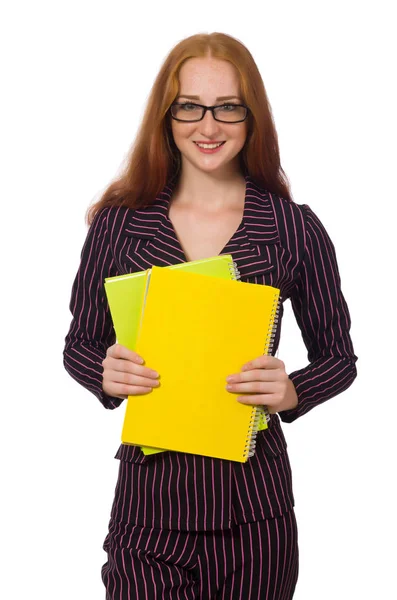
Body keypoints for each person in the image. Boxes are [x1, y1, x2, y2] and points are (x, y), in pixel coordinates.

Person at [63, 32, 357, 599]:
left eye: (228, 107)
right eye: (190, 107)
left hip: (254, 510)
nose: (208, 125)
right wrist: (103, 371)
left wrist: (293, 390)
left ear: (251, 118)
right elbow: (80, 342)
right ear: (167, 117)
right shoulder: (119, 224)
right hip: (149, 506)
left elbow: (339, 359)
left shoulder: (296, 229)